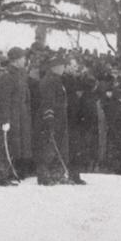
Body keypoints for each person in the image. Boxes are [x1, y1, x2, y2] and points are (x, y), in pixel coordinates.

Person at [0, 47, 33, 186]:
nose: (25, 60)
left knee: (14, 146)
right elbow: (4, 100)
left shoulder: (20, 75)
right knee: (5, 146)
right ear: (16, 60)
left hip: (19, 117)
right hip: (10, 116)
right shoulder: (7, 76)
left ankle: (8, 173)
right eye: (23, 58)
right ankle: (1, 176)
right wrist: (5, 120)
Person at [37, 56, 75, 185]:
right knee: (49, 146)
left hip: (60, 118)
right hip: (52, 118)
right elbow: (47, 102)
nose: (64, 68)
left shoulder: (57, 80)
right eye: (62, 66)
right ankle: (44, 175)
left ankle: (56, 174)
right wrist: (49, 118)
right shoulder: (49, 81)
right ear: (56, 67)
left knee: (58, 146)